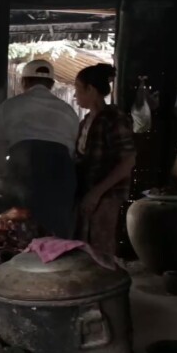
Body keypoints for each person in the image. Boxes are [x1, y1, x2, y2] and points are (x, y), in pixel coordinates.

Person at [0, 59, 80, 238]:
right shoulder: (68, 110)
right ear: (51, 84)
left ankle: (19, 264)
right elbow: (73, 150)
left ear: (24, 82)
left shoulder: (9, 106)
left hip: (25, 172)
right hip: (61, 175)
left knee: (21, 230)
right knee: (55, 231)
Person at [73, 63, 136, 255]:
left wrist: (97, 193)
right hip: (89, 191)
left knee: (101, 247)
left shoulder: (113, 117)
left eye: (77, 89)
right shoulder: (85, 121)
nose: (75, 95)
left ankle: (107, 283)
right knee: (84, 247)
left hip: (107, 194)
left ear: (90, 89)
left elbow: (128, 161)